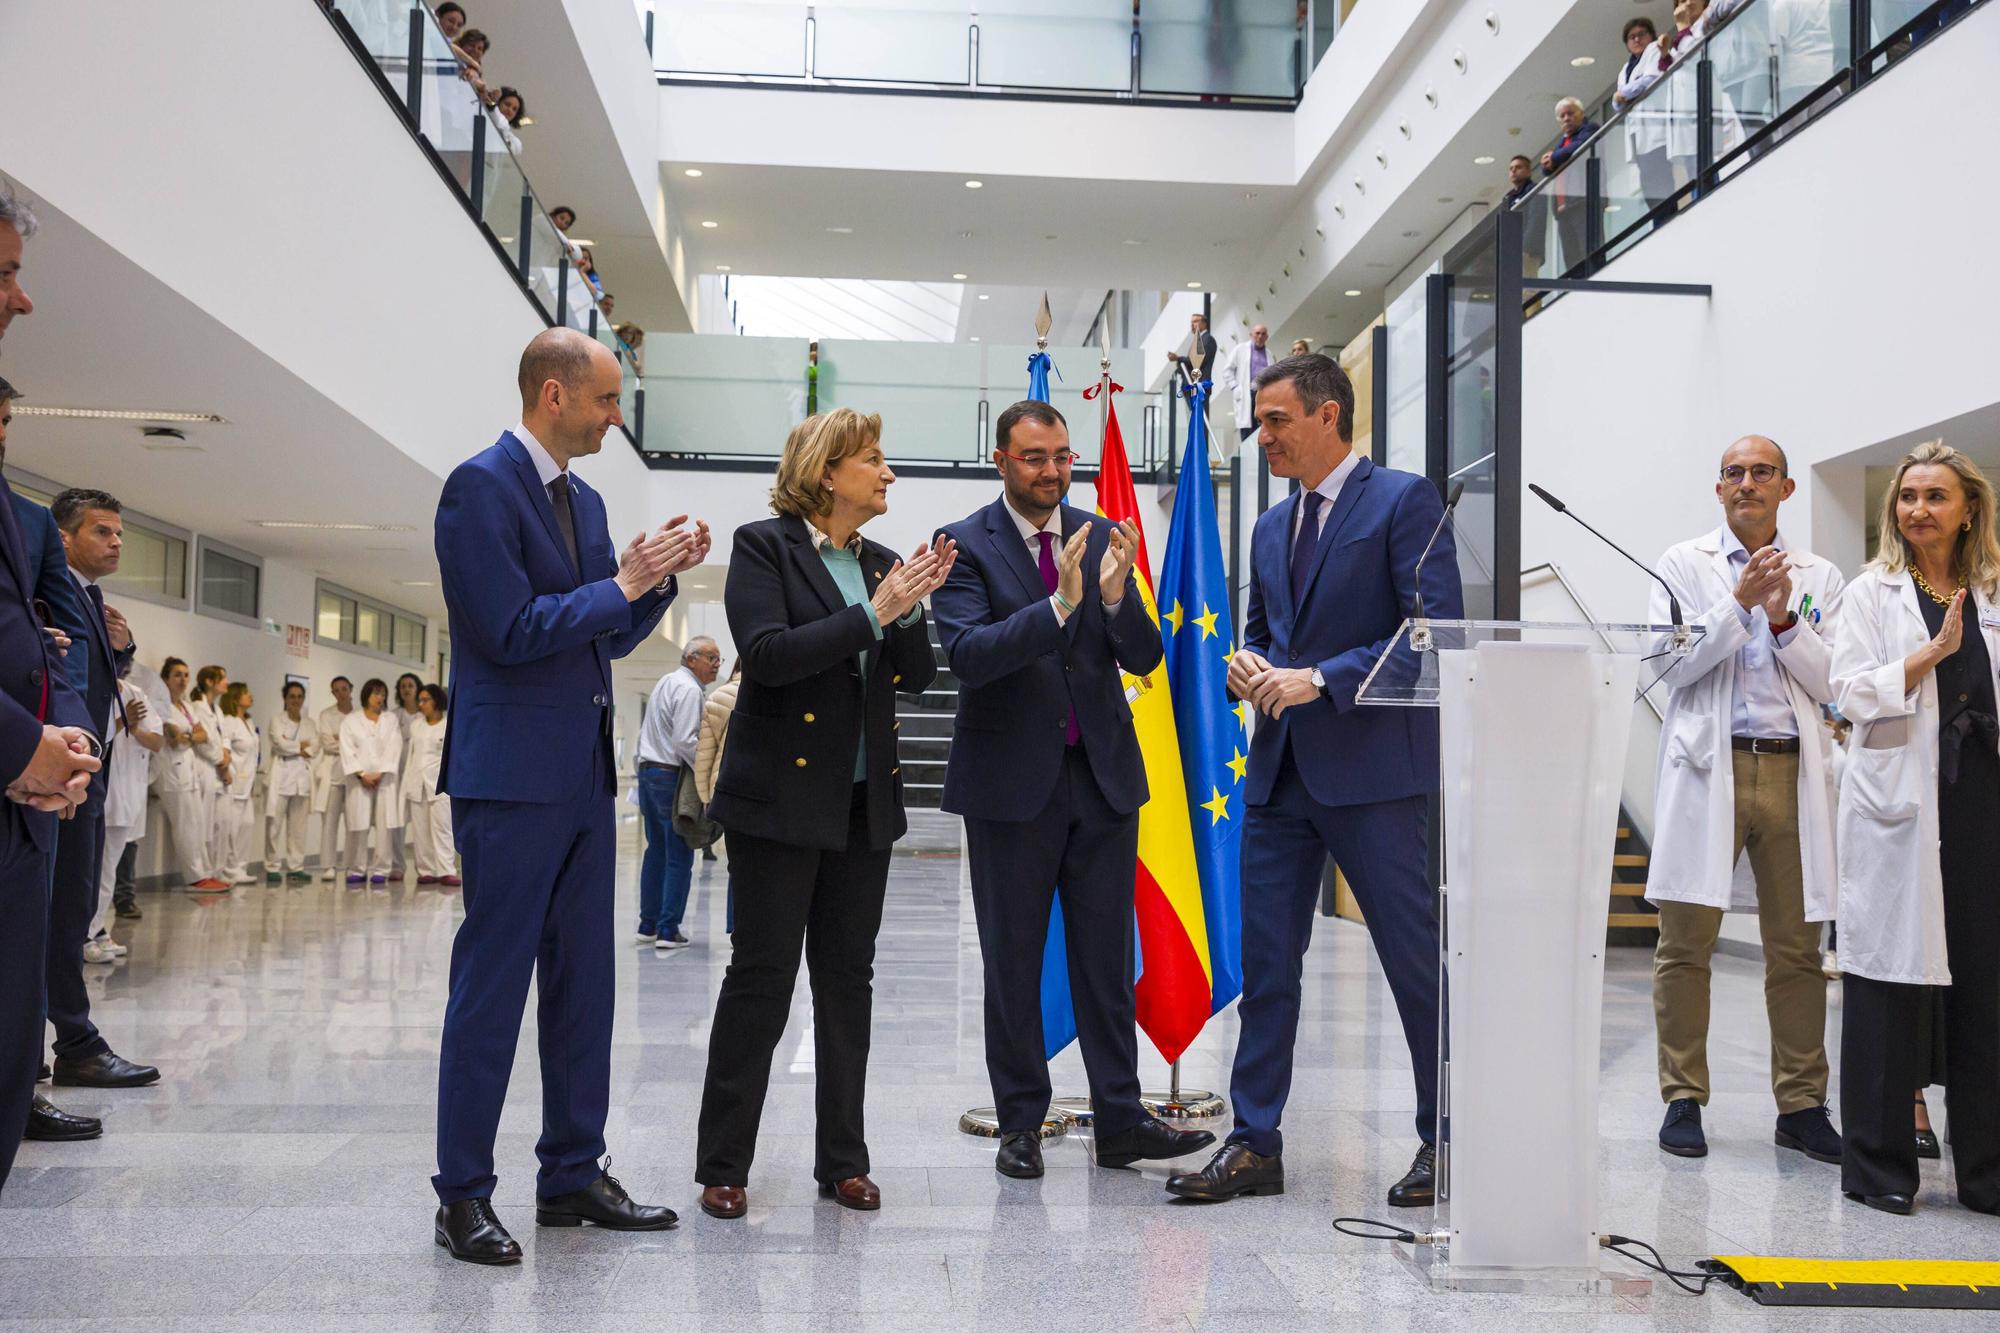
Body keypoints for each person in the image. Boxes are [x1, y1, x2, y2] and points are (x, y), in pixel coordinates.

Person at [430, 326, 701, 1263]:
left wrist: (652, 581)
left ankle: (572, 1171)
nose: (615, 417)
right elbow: (507, 629)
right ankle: (461, 1190)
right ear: (553, 395)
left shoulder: (582, 500)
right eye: (607, 400)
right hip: (507, 780)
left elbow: (599, 636)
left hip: (585, 777)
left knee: (586, 986)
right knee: (492, 987)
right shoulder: (480, 489)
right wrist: (620, 580)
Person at [1167, 353, 1462, 1208]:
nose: (1264, 437)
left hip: (1375, 774)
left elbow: (1436, 632)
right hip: (1279, 776)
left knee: (1413, 963)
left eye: (1276, 419)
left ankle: (1446, 1143)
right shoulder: (1268, 527)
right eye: (1260, 421)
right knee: (1268, 967)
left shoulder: (1404, 500)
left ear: (1328, 415)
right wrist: (1247, 666)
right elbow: (1264, 634)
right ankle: (1255, 1141)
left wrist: (1320, 678)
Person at [932, 399, 1214, 1183]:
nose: (1053, 470)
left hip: (1101, 783)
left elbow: (1146, 658)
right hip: (1009, 789)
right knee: (1013, 962)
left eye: (1062, 455)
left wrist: (1118, 598)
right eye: (1034, 457)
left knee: (1104, 959)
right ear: (1001, 460)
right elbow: (970, 655)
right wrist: (1059, 603)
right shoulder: (962, 545)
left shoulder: (1101, 534)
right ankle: (1021, 1123)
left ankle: (1121, 1121)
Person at [695, 408, 952, 1221]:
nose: (888, 474)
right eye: (874, 460)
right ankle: (724, 1162)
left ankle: (844, 1158)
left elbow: (913, 673)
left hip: (860, 805)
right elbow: (767, 656)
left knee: (848, 983)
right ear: (827, 470)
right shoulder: (764, 546)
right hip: (778, 803)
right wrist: (873, 612)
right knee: (762, 978)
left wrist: (909, 605)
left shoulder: (879, 561)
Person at [1644, 437, 1846, 1165]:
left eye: (1763, 473)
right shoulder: (1680, 565)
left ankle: (1801, 1104)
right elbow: (1671, 663)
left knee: (1797, 950)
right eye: (1735, 472)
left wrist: (1787, 617)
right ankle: (1683, 1096)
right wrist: (1736, 604)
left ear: (1787, 489)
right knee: (1684, 942)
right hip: (1710, 767)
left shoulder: (1821, 573)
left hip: (1792, 772)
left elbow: (1834, 682)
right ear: (1718, 486)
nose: (1747, 483)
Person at [1830, 440, 2000, 1217]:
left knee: (1987, 988)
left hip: (1981, 807)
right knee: (1884, 987)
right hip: (1902, 809)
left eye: (1935, 496)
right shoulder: (1874, 593)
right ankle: (1878, 1167)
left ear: (1969, 510)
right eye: (1907, 496)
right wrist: (1929, 654)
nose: (1918, 509)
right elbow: (1849, 692)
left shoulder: (1993, 593)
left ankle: (1988, 1174)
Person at [0, 194, 107, 1183]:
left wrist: (60, 742)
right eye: (3, 277)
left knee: (62, 916)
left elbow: (47, 648)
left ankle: (54, 1049)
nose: (23, 300)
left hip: (42, 781)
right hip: (17, 766)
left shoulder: (20, 517)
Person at [35, 484, 157, 1084]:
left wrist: (123, 647)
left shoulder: (91, 598)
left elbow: (94, 676)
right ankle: (67, 1042)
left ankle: (55, 1041)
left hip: (89, 770)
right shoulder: (45, 596)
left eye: (119, 534)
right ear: (64, 537)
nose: (115, 543)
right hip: (59, 773)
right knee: (54, 912)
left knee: (73, 905)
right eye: (101, 532)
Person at [636, 637, 717, 948]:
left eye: (718, 659)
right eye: (711, 657)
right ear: (691, 657)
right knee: (679, 854)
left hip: (648, 772)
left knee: (655, 851)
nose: (716, 664)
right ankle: (669, 929)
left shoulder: (666, 682)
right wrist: (708, 771)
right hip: (670, 776)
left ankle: (648, 923)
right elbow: (685, 741)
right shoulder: (690, 689)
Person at [85, 669, 160, 960]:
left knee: (108, 870)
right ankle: (86, 932)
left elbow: (157, 741)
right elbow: (93, 738)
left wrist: (134, 727)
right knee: (95, 870)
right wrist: (122, 721)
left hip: (125, 798)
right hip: (99, 794)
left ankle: (97, 927)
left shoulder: (136, 694)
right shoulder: (93, 688)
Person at [154, 658, 222, 891]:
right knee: (184, 826)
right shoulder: (160, 705)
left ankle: (204, 872)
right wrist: (190, 736)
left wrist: (189, 737)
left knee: (196, 823)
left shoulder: (187, 707)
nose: (182, 680)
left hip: (189, 770)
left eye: (185, 675)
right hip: (171, 771)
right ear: (165, 679)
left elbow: (204, 737)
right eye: (177, 675)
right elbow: (173, 739)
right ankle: (194, 877)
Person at [340, 678, 402, 888]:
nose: (380, 698)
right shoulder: (351, 720)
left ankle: (381, 869)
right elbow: (347, 749)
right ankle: (357, 868)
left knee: (384, 825)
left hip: (384, 780)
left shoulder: (390, 719)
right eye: (376, 693)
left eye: (383, 694)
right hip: (360, 780)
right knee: (358, 824)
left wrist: (381, 773)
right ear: (366, 695)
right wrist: (361, 774)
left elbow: (394, 746)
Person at [1613, 17, 1675, 217]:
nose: (1637, 39)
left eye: (1641, 35)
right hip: (1637, 134)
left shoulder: (1654, 51)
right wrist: (1623, 96)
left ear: (1651, 36)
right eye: (1632, 37)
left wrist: (1625, 94)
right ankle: (1658, 220)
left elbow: (1650, 79)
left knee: (1661, 181)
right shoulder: (1625, 69)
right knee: (1648, 184)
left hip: (1655, 129)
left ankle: (1667, 219)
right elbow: (1616, 103)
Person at [403, 683, 458, 886]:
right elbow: (411, 756)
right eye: (420, 700)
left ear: (436, 701)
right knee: (420, 830)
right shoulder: (416, 725)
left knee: (442, 828)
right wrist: (406, 784)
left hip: (439, 785)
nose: (421, 704)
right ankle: (426, 870)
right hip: (417, 782)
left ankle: (446, 870)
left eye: (425, 700)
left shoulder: (447, 725)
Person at [1541, 96, 1601, 275]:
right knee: (1571, 257)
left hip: (1583, 201)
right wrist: (1549, 162)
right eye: (1562, 116)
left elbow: (1580, 146)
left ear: (1581, 114)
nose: (1566, 118)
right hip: (1563, 208)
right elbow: (1548, 170)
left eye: (1570, 113)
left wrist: (1553, 157)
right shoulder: (1563, 141)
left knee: (1589, 249)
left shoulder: (1589, 129)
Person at [264, 681, 316, 884]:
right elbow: (279, 744)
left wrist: (297, 747)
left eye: (299, 696)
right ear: (285, 699)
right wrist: (299, 747)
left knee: (298, 828)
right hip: (281, 775)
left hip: (301, 778)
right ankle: (272, 866)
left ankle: (296, 866)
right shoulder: (276, 720)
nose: (296, 700)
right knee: (274, 826)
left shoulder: (309, 723)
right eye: (292, 696)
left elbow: (315, 745)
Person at [695, 657, 741, 875]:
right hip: (761, 790)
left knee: (736, 866)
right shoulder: (777, 692)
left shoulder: (718, 696)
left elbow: (705, 754)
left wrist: (706, 798)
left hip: (724, 788)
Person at [187, 665, 231, 882]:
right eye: (222, 679)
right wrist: (221, 760)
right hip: (205, 768)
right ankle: (205, 872)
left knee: (220, 825)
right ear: (209, 682)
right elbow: (203, 743)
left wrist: (226, 760)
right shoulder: (197, 707)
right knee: (204, 824)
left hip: (219, 771)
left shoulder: (218, 710)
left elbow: (224, 740)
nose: (227, 683)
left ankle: (217, 871)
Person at [216, 683, 260, 884]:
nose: (250, 696)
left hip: (248, 783)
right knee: (231, 828)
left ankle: (241, 866)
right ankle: (229, 868)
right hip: (233, 781)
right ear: (235, 698)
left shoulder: (249, 723)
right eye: (245, 693)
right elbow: (224, 749)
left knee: (247, 824)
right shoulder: (229, 722)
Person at [314, 676, 355, 881]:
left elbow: (363, 745)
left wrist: (342, 740)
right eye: (336, 690)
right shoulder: (326, 715)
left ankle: (348, 864)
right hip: (332, 773)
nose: (341, 693)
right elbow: (328, 743)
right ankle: (328, 866)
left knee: (353, 823)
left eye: (344, 689)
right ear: (333, 693)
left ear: (351, 690)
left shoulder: (359, 716)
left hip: (354, 775)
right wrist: (350, 744)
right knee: (329, 823)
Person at [389, 671, 424, 880]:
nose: (407, 689)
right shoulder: (393, 716)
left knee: (421, 826)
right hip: (398, 776)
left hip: (418, 776)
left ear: (417, 688)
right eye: (403, 686)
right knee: (397, 824)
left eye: (410, 685)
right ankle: (397, 866)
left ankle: (425, 868)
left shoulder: (426, 716)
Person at [1220, 324, 1272, 443]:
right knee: (1247, 431)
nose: (1260, 336)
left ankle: (1261, 460)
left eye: (1263, 334)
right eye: (1257, 333)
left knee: (1263, 428)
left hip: (1263, 395)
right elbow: (1227, 370)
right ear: (1251, 335)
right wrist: (1234, 386)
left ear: (1267, 337)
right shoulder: (1240, 349)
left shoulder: (1268, 354)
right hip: (1247, 393)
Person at [1502, 153, 1548, 274]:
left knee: (1528, 289)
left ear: (1528, 171)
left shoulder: (1535, 190)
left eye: (1518, 167)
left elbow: (1537, 220)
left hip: (1528, 251)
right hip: (1511, 252)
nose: (1513, 171)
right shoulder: (1509, 197)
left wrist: (1525, 246)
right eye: (1511, 169)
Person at [1165, 310, 1218, 391]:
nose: (1192, 325)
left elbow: (1196, 361)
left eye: (1196, 321)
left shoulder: (1207, 339)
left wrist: (1178, 358)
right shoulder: (1199, 340)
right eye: (1191, 322)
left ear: (1204, 324)